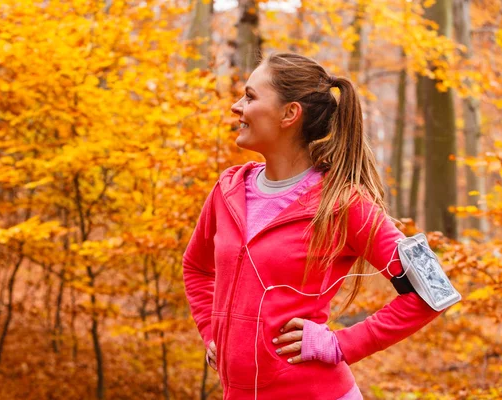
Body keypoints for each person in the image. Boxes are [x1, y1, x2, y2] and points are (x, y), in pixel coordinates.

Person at [182, 52, 445, 399]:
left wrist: (340, 343)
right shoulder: (228, 189)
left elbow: (433, 291)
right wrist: (212, 332)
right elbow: (197, 267)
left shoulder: (342, 202)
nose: (236, 106)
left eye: (250, 96)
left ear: (290, 114)